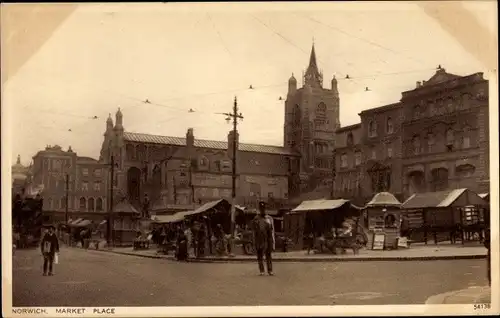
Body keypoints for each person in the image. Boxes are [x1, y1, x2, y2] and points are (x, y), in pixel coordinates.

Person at [252, 201, 275, 276]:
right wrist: (254, 241)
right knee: (259, 256)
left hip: (267, 240)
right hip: (259, 239)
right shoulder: (256, 219)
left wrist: (272, 242)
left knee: (268, 255)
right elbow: (254, 231)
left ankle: (270, 270)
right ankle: (262, 270)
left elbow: (271, 231)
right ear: (259, 209)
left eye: (263, 208)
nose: (262, 210)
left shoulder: (268, 218)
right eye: (261, 209)